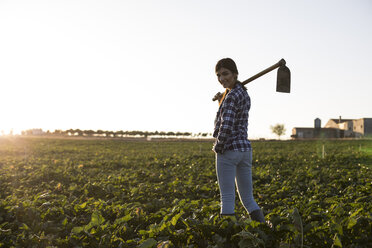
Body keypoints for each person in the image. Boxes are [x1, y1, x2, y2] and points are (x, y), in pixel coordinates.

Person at [212, 58, 265, 223]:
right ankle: (263, 233)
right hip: (245, 150)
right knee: (248, 199)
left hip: (229, 150)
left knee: (227, 198)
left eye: (225, 74)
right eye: (219, 75)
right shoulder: (242, 93)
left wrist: (218, 147)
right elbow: (232, 116)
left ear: (235, 74)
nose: (222, 78)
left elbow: (226, 126)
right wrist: (222, 99)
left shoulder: (231, 96)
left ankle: (227, 238)